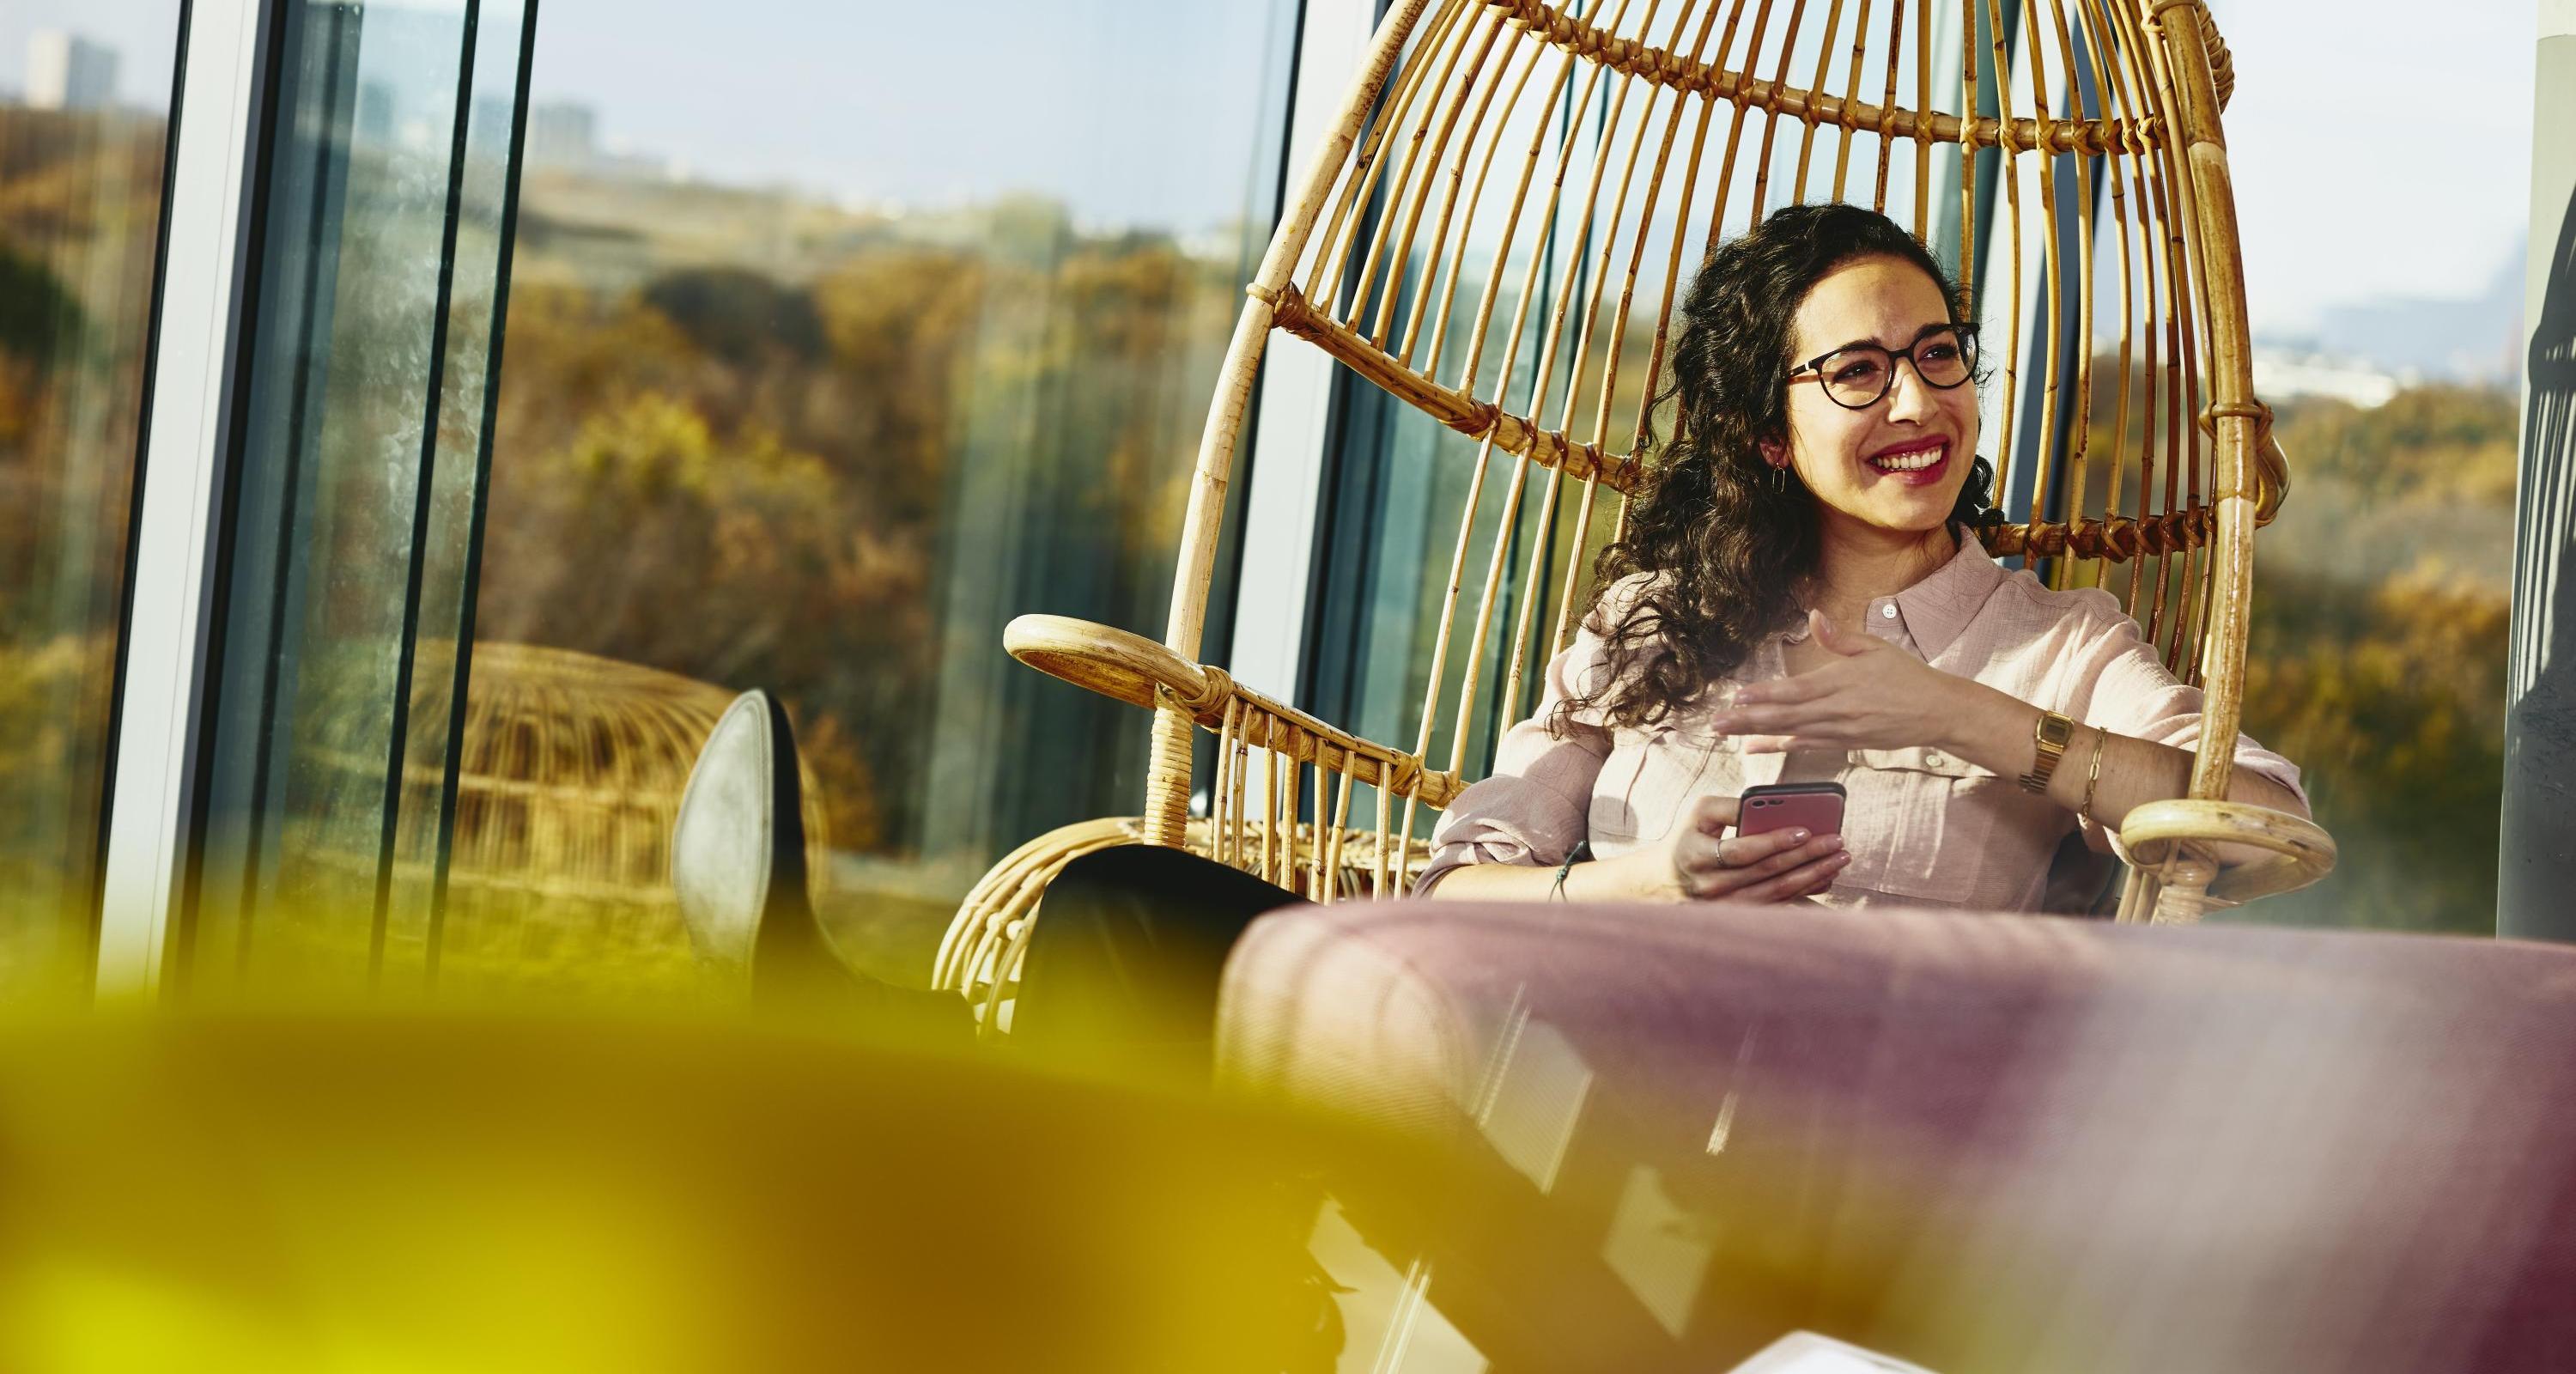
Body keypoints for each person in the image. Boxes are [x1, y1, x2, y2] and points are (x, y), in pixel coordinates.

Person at [1419, 202, 2309, 912]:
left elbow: (2267, 830)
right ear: (1770, 431)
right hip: (1597, 1105)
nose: (1919, 402)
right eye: (1858, 372)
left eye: (1938, 353)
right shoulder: (1650, 620)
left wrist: (1959, 715)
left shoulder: (2063, 647)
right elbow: (1451, 898)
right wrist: (1646, 883)